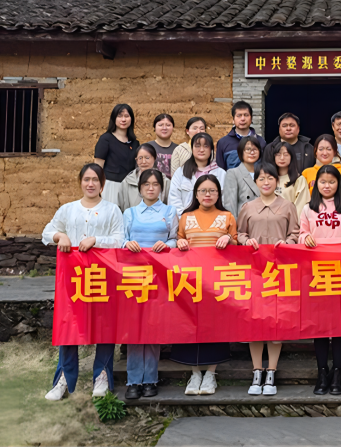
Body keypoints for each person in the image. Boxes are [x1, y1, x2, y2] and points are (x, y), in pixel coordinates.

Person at [43, 163, 125, 401]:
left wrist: (96, 240)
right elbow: (47, 232)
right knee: (70, 325)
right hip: (74, 279)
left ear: (102, 184)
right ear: (80, 182)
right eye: (86, 179)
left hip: (103, 277)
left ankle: (102, 376)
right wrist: (60, 235)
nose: (90, 184)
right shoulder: (68, 209)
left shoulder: (112, 210)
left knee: (104, 325)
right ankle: (64, 379)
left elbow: (119, 239)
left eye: (95, 180)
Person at [237, 162, 300, 397]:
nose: (266, 182)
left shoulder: (288, 206)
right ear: (255, 182)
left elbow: (296, 233)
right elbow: (239, 233)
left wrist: (288, 243)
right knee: (255, 322)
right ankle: (257, 371)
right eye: (261, 178)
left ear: (277, 181)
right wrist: (245, 241)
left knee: (275, 321)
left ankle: (271, 371)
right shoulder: (248, 207)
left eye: (270, 178)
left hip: (279, 272)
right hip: (253, 272)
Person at [298, 165, 341, 396]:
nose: (327, 186)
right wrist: (305, 237)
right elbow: (301, 233)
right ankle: (322, 371)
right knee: (320, 325)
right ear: (316, 184)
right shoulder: (308, 208)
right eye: (323, 182)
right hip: (317, 273)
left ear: (339, 184)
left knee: (340, 324)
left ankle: (337, 372)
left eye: (332, 182)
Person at [172, 175, 237, 396]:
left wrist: (229, 239)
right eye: (203, 191)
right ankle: (194, 373)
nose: (207, 195)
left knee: (214, 326)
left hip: (217, 283)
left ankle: (210, 373)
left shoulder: (227, 217)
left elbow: (238, 244)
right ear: (196, 194)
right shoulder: (186, 217)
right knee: (190, 325)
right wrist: (179, 241)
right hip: (190, 282)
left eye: (212, 191)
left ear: (218, 194)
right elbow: (177, 240)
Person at [121, 169, 178, 400]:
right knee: (134, 326)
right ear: (140, 188)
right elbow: (121, 239)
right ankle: (133, 380)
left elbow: (175, 238)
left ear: (161, 188)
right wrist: (127, 244)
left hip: (159, 277)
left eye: (155, 184)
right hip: (133, 277)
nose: (151, 188)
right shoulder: (130, 213)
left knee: (153, 326)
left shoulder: (169, 211)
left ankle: (150, 379)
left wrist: (166, 245)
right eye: (146, 184)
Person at [168, 133, 226, 212]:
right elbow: (174, 200)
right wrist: (185, 218)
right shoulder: (180, 172)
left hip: (214, 218)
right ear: (192, 148)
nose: (201, 150)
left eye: (206, 146)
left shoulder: (221, 173)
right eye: (197, 146)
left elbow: (225, 200)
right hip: (185, 218)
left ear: (211, 150)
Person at [94, 104, 139, 206]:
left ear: (131, 119)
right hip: (110, 186)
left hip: (130, 186)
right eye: (119, 116)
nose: (123, 119)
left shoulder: (135, 143)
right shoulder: (106, 139)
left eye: (126, 116)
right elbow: (97, 167)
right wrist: (98, 187)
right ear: (114, 118)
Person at [263, 141, 310, 218]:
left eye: (286, 154)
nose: (282, 158)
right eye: (278, 154)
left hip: (290, 221)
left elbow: (301, 207)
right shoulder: (267, 179)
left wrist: (292, 223)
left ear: (291, 157)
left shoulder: (299, 179)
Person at [118, 144, 171, 211]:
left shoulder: (165, 182)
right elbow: (120, 207)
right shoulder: (127, 181)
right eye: (140, 158)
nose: (143, 162)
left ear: (154, 158)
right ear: (136, 160)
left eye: (147, 158)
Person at [216, 101, 266, 171]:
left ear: (251, 118)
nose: (242, 119)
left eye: (246, 115)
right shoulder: (223, 142)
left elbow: (265, 169)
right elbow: (220, 171)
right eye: (239, 115)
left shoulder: (260, 141)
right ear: (233, 119)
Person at [302, 135, 341, 202]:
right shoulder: (306, 173)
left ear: (335, 151)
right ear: (315, 151)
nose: (325, 153)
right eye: (321, 149)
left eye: (329, 149)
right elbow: (303, 199)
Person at [223, 136, 262, 218]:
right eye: (248, 149)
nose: (252, 152)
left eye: (255, 149)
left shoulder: (264, 173)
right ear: (241, 152)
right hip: (244, 221)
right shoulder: (233, 173)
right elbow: (230, 205)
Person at [146, 113, 179, 178]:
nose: (164, 128)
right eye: (160, 125)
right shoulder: (146, 148)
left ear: (173, 128)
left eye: (168, 125)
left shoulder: (179, 149)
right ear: (154, 128)